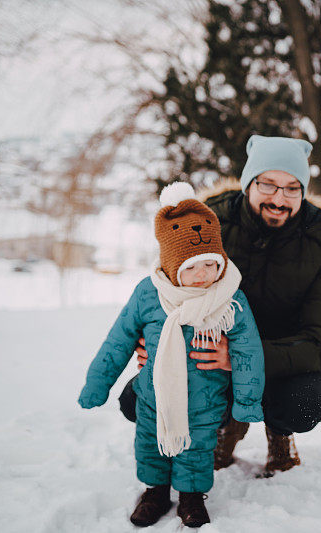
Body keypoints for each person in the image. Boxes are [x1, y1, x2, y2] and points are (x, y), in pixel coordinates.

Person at [120, 134, 321, 477]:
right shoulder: (209, 223)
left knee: (303, 404)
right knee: (138, 399)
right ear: (249, 182)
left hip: (280, 358)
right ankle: (223, 427)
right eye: (268, 184)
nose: (279, 198)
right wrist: (153, 338)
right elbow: (167, 286)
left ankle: (279, 432)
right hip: (207, 345)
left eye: (292, 187)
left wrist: (242, 355)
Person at [78, 182, 265, 528]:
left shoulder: (230, 297)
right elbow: (118, 340)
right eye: (191, 268)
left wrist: (247, 400)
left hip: (206, 400)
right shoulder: (149, 294)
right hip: (153, 397)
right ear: (172, 265)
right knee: (150, 443)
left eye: (210, 265)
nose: (202, 276)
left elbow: (248, 350)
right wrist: (97, 384)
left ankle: (192, 497)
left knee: (197, 449)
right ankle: (155, 491)